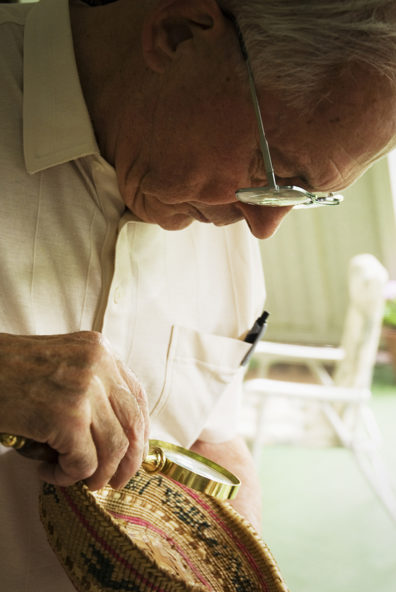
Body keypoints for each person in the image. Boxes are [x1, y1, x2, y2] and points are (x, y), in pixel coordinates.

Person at [0, 0, 395, 590]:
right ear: (178, 31)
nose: (264, 228)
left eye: (307, 196)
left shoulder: (221, 218)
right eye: (274, 169)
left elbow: (211, 435)